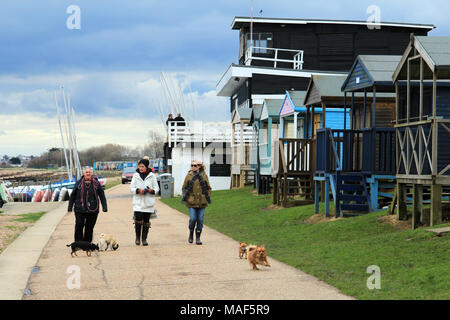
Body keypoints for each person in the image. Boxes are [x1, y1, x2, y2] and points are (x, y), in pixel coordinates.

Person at [68, 167, 108, 243]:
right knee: (79, 225)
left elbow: (101, 194)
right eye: (86, 172)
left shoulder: (96, 183)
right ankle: (78, 243)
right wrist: (70, 207)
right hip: (80, 209)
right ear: (84, 174)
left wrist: (104, 207)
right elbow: (72, 195)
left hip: (93, 209)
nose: (88, 174)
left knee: (89, 227)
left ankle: (87, 243)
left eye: (89, 172)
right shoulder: (78, 183)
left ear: (92, 174)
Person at [130, 158, 159, 246]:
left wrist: (151, 191)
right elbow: (131, 188)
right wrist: (138, 190)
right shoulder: (135, 175)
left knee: (146, 221)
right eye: (139, 166)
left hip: (148, 202)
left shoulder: (152, 176)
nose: (141, 168)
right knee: (138, 219)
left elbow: (157, 188)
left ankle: (144, 239)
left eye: (142, 166)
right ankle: (137, 238)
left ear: (146, 167)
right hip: (138, 202)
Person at [182, 159, 211, 245]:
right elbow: (184, 188)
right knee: (193, 218)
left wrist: (206, 196)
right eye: (192, 165)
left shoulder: (204, 175)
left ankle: (198, 237)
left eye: (195, 165)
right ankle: (191, 233)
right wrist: (187, 197)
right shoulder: (189, 175)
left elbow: (208, 188)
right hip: (191, 202)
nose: (193, 167)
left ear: (199, 166)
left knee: (200, 219)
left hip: (202, 202)